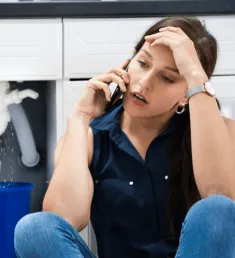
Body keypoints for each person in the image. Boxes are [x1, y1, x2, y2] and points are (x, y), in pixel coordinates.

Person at [14, 16, 235, 258]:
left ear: (186, 94)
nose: (145, 82)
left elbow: (222, 202)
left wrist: (194, 73)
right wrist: (80, 117)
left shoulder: (222, 133)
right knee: (33, 228)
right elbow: (61, 220)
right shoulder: (89, 137)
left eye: (167, 78)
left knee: (218, 208)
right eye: (142, 63)